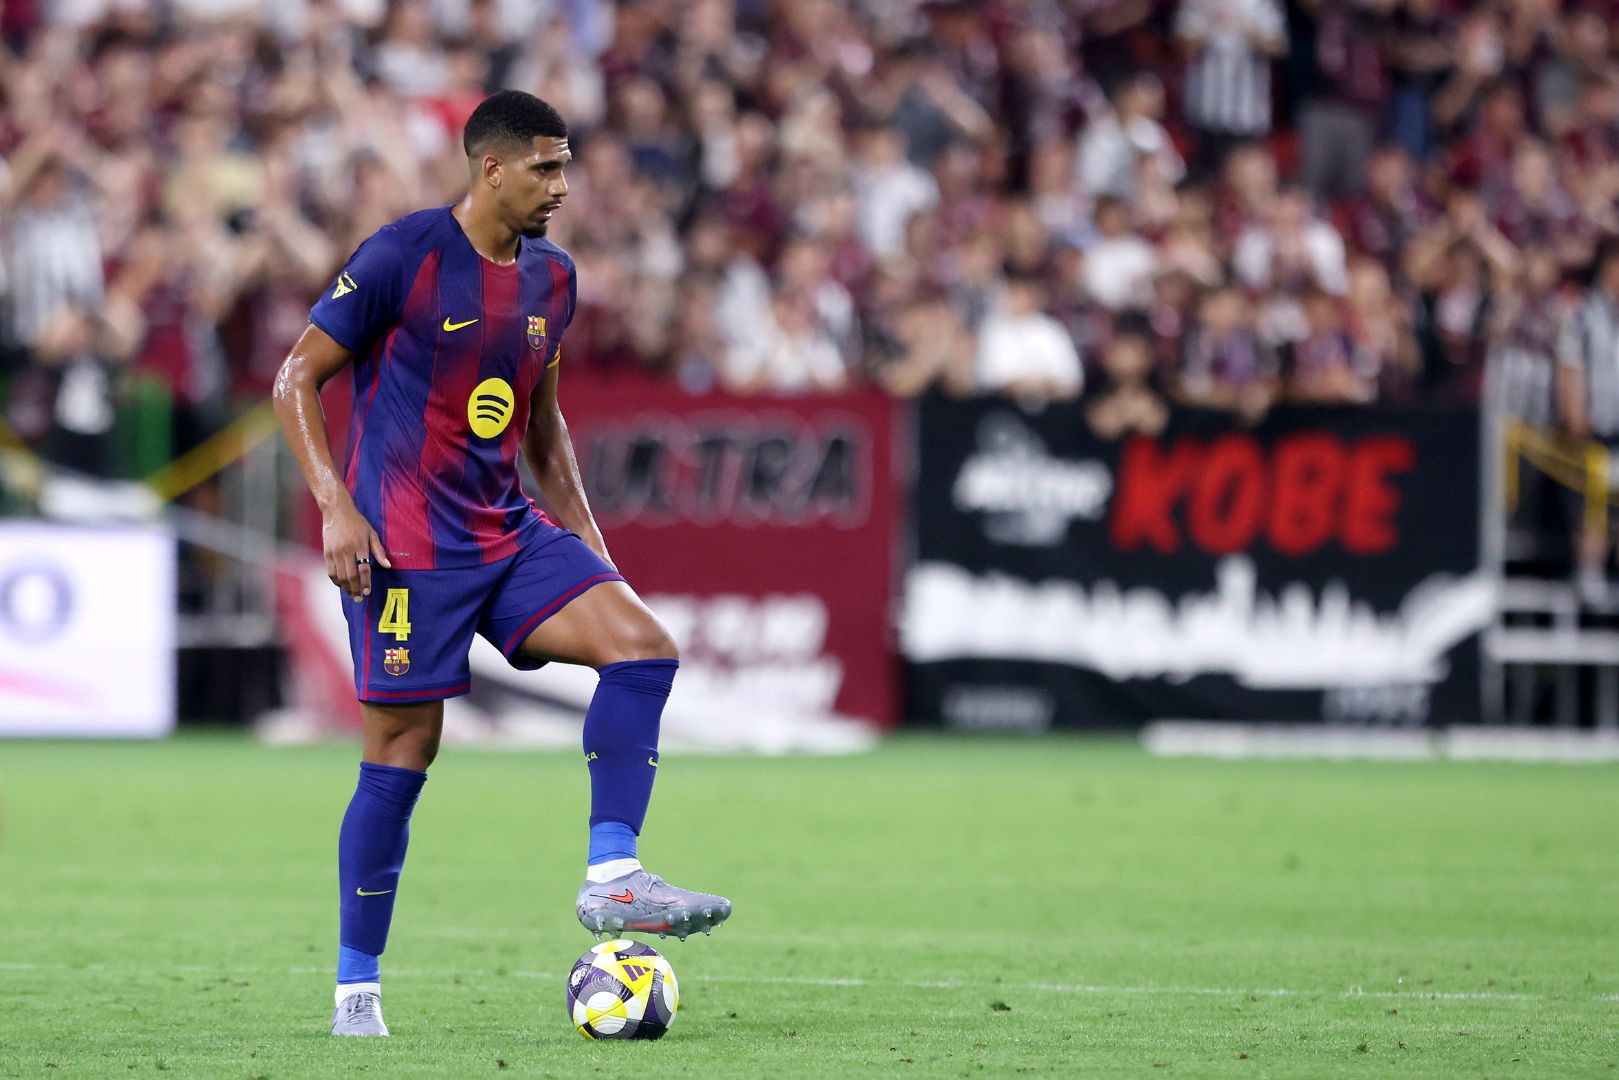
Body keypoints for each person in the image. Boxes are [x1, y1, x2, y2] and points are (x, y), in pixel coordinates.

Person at [271, 91, 731, 1040]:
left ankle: (613, 877)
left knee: (641, 649)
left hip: (505, 532)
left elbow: (544, 434)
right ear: (491, 167)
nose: (562, 186)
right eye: (546, 168)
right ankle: (358, 994)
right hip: (404, 552)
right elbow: (295, 379)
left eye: (565, 167)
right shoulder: (402, 255)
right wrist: (333, 505)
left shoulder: (551, 281)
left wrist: (598, 561)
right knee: (402, 755)